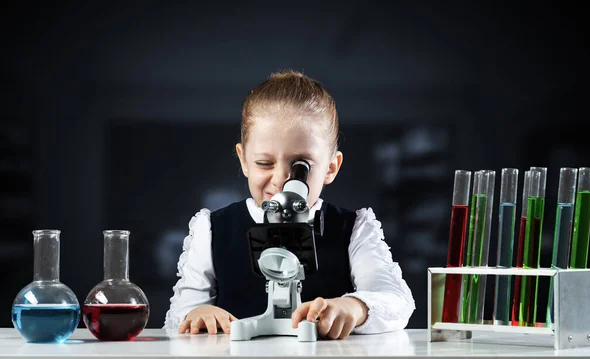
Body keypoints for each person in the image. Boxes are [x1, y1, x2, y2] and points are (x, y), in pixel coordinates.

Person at [163, 70, 415, 340]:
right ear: (244, 160)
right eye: (264, 163)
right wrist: (197, 314)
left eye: (300, 167)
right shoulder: (212, 228)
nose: (282, 180)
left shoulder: (353, 229)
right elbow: (180, 314)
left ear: (331, 167)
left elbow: (396, 302)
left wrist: (355, 306)